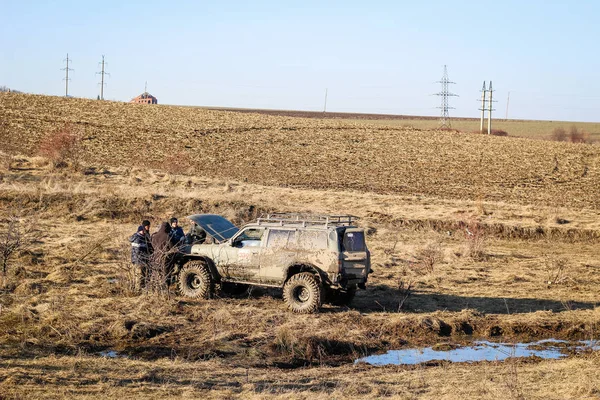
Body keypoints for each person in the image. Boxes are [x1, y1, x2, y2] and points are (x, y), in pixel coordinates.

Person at [129, 220, 153, 289]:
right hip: (139, 260)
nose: (148, 228)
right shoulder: (138, 238)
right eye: (146, 226)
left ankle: (142, 288)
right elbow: (139, 251)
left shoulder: (145, 235)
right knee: (139, 276)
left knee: (144, 275)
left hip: (143, 259)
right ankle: (138, 289)